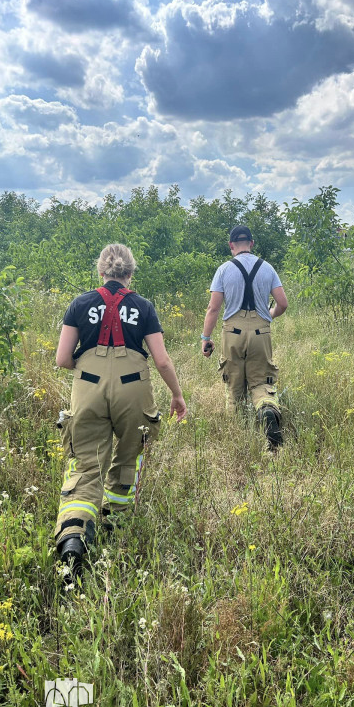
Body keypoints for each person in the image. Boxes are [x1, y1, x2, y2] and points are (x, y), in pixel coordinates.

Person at [54, 243, 187, 576]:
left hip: (88, 387)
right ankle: (114, 524)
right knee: (129, 456)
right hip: (133, 387)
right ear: (130, 273)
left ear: (101, 271)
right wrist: (177, 395)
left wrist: (88, 371)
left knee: (85, 464)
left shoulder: (79, 304)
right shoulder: (143, 306)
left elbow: (61, 359)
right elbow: (161, 360)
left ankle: (73, 534)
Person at [201, 225, 288, 449]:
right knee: (261, 383)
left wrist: (206, 338)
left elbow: (213, 308)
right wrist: (269, 316)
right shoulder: (267, 268)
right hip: (261, 330)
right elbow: (283, 303)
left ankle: (237, 436)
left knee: (234, 386)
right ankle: (267, 409)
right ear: (252, 243)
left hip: (233, 332)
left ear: (231, 246)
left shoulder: (223, 270)